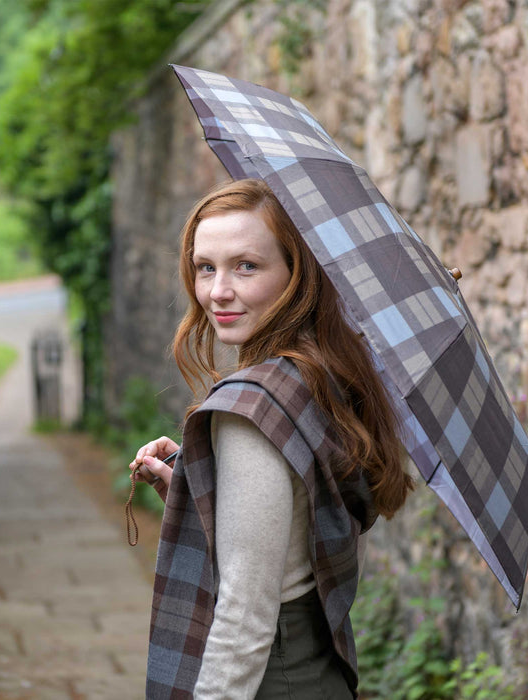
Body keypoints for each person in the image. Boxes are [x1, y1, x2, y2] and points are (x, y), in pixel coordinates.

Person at [129, 178, 415, 699]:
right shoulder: (318, 375)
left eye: (247, 266)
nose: (218, 291)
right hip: (317, 670)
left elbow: (244, 616)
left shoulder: (250, 412)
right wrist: (192, 491)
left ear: (294, 274)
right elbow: (290, 537)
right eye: (205, 267)